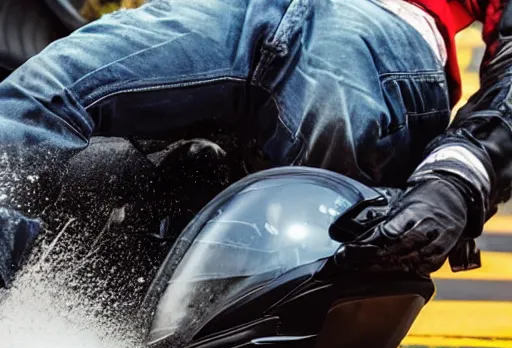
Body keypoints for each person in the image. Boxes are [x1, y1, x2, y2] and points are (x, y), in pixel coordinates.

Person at [0, 0, 510, 289]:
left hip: (374, 23)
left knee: (314, 271)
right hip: (216, 11)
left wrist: (460, 174)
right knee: (25, 105)